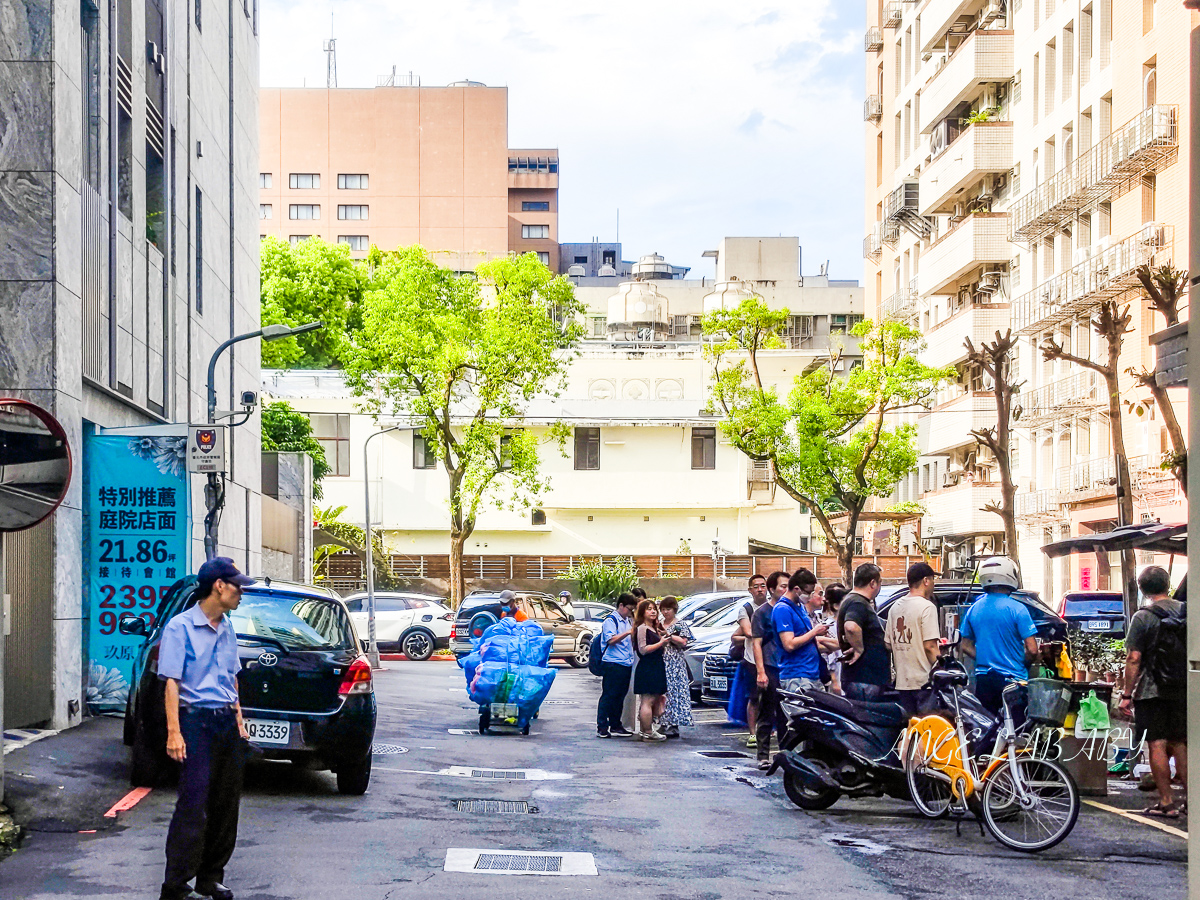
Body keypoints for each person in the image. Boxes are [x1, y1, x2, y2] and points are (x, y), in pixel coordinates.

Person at [158, 557, 255, 900]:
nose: (241, 593)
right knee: (193, 803)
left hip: (226, 723)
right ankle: (175, 886)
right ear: (219, 586)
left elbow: (232, 679)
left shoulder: (227, 627)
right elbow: (171, 682)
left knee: (226, 805)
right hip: (194, 721)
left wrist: (240, 724)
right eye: (237, 586)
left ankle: (210, 878)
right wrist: (174, 732)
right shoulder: (179, 627)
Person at [1120, 566, 1187, 818]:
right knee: (1180, 743)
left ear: (1142, 588)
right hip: (1182, 688)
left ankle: (1167, 803)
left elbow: (1134, 658)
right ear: (1167, 584)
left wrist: (1127, 694)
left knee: (1157, 744)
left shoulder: (1142, 617)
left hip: (1151, 690)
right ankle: (1192, 801)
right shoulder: (1186, 611)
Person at [959, 557, 1038, 715]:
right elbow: (1033, 649)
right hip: (1013, 681)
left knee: (988, 729)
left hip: (983, 681)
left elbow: (965, 646)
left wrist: (984, 657)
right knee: (1015, 730)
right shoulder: (1018, 609)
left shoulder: (974, 609)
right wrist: (1023, 662)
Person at [885, 562, 942, 717]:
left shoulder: (895, 607)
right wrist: (942, 666)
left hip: (903, 683)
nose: (933, 584)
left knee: (911, 729)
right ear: (926, 581)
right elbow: (930, 646)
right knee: (927, 730)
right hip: (924, 683)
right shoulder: (926, 607)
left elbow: (888, 644)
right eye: (933, 580)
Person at [751, 571, 791, 769]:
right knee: (767, 713)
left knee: (786, 715)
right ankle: (763, 755)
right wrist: (761, 671)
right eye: (782, 586)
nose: (786, 590)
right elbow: (756, 644)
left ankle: (785, 755)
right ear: (772, 589)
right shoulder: (762, 613)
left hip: (789, 668)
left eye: (788, 586)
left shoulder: (793, 609)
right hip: (770, 666)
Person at [837, 563, 892, 702]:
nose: (880, 586)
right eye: (880, 582)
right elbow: (851, 626)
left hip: (863, 679)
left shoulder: (852, 600)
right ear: (872, 583)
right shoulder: (858, 603)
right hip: (865, 679)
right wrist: (859, 649)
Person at [773, 569, 830, 694]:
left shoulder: (800, 607)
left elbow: (806, 638)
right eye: (808, 592)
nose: (810, 596)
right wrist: (814, 632)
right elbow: (789, 644)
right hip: (797, 675)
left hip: (812, 673)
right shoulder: (782, 609)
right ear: (797, 589)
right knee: (802, 712)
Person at [734, 574, 769, 746]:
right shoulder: (746, 609)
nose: (760, 589)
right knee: (754, 697)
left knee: (774, 697)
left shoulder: (775, 606)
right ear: (750, 590)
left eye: (763, 585)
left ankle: (771, 730)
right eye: (756, 586)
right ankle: (753, 733)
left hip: (771, 658)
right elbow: (748, 632)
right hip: (752, 660)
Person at [597, 593, 636, 738]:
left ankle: (615, 724)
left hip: (626, 662)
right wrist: (627, 633)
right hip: (612, 663)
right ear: (621, 605)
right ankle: (602, 726)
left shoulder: (627, 621)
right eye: (629, 609)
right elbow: (610, 639)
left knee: (620, 696)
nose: (630, 612)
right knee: (609, 695)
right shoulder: (611, 620)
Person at [633, 599, 669, 742]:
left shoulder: (654, 628)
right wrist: (660, 643)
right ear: (642, 612)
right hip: (648, 666)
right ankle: (647, 731)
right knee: (647, 700)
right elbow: (643, 649)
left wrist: (662, 636)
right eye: (649, 609)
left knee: (651, 699)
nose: (653, 611)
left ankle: (645, 729)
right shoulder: (642, 628)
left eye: (654, 609)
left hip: (656, 665)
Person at [658, 596, 694, 738]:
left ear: (674, 610)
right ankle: (661, 722)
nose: (666, 612)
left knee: (675, 692)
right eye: (663, 609)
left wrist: (669, 636)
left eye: (668, 609)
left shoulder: (680, 625)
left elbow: (684, 642)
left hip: (675, 663)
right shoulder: (659, 623)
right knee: (662, 693)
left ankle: (674, 724)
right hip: (661, 661)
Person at [815, 583, 847, 694]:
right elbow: (830, 657)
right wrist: (834, 680)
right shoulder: (830, 625)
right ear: (836, 605)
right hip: (838, 675)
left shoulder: (847, 623)